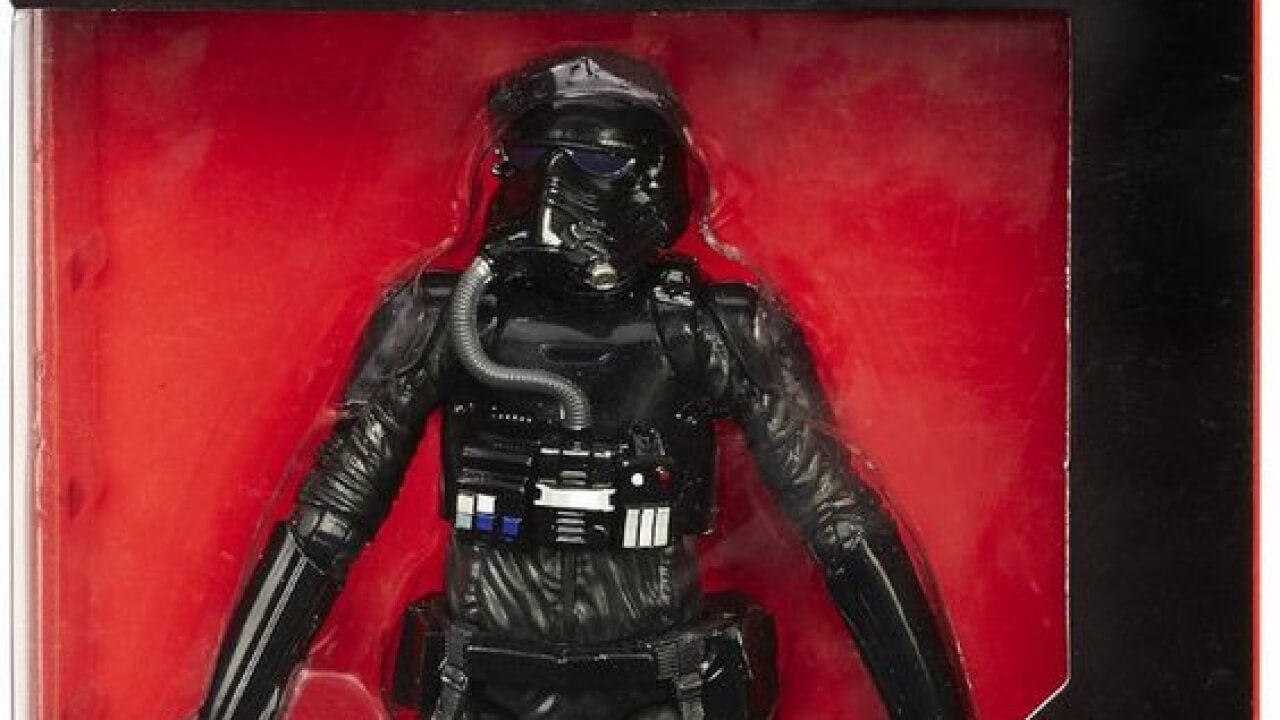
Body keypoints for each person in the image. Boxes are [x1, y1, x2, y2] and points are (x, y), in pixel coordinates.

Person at [198, 49, 972, 720]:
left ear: (655, 179)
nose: (555, 190)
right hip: (480, 684)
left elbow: (841, 525)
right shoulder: (444, 319)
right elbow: (328, 521)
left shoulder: (713, 327)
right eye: (533, 159)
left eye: (597, 162)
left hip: (661, 688)